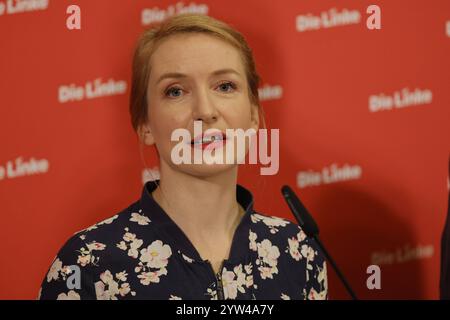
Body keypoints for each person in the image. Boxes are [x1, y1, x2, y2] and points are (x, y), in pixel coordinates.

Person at [38, 13, 328, 300]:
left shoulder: (298, 251)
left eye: (225, 86)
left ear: (253, 114)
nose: (205, 110)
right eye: (175, 91)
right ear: (145, 125)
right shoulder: (86, 264)